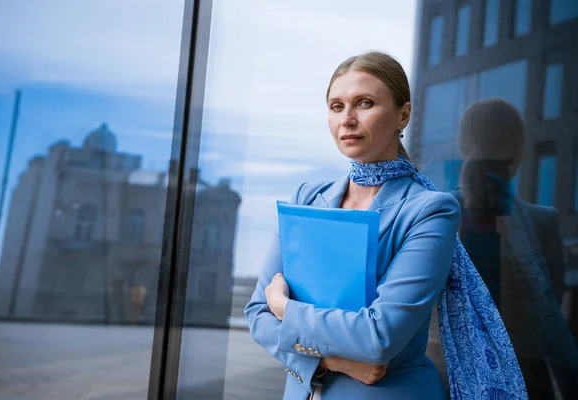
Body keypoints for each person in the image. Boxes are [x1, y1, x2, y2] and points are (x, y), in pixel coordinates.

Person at [244, 51, 526, 399]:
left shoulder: (430, 210)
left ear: (403, 114)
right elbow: (258, 314)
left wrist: (286, 309)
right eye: (336, 106)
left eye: (364, 103)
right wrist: (333, 363)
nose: (347, 119)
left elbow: (378, 337)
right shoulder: (305, 198)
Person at [449, 98, 578, 399]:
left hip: (450, 380)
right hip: (527, 379)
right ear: (518, 152)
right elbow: (551, 305)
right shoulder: (543, 221)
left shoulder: (437, 212)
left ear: (462, 147)